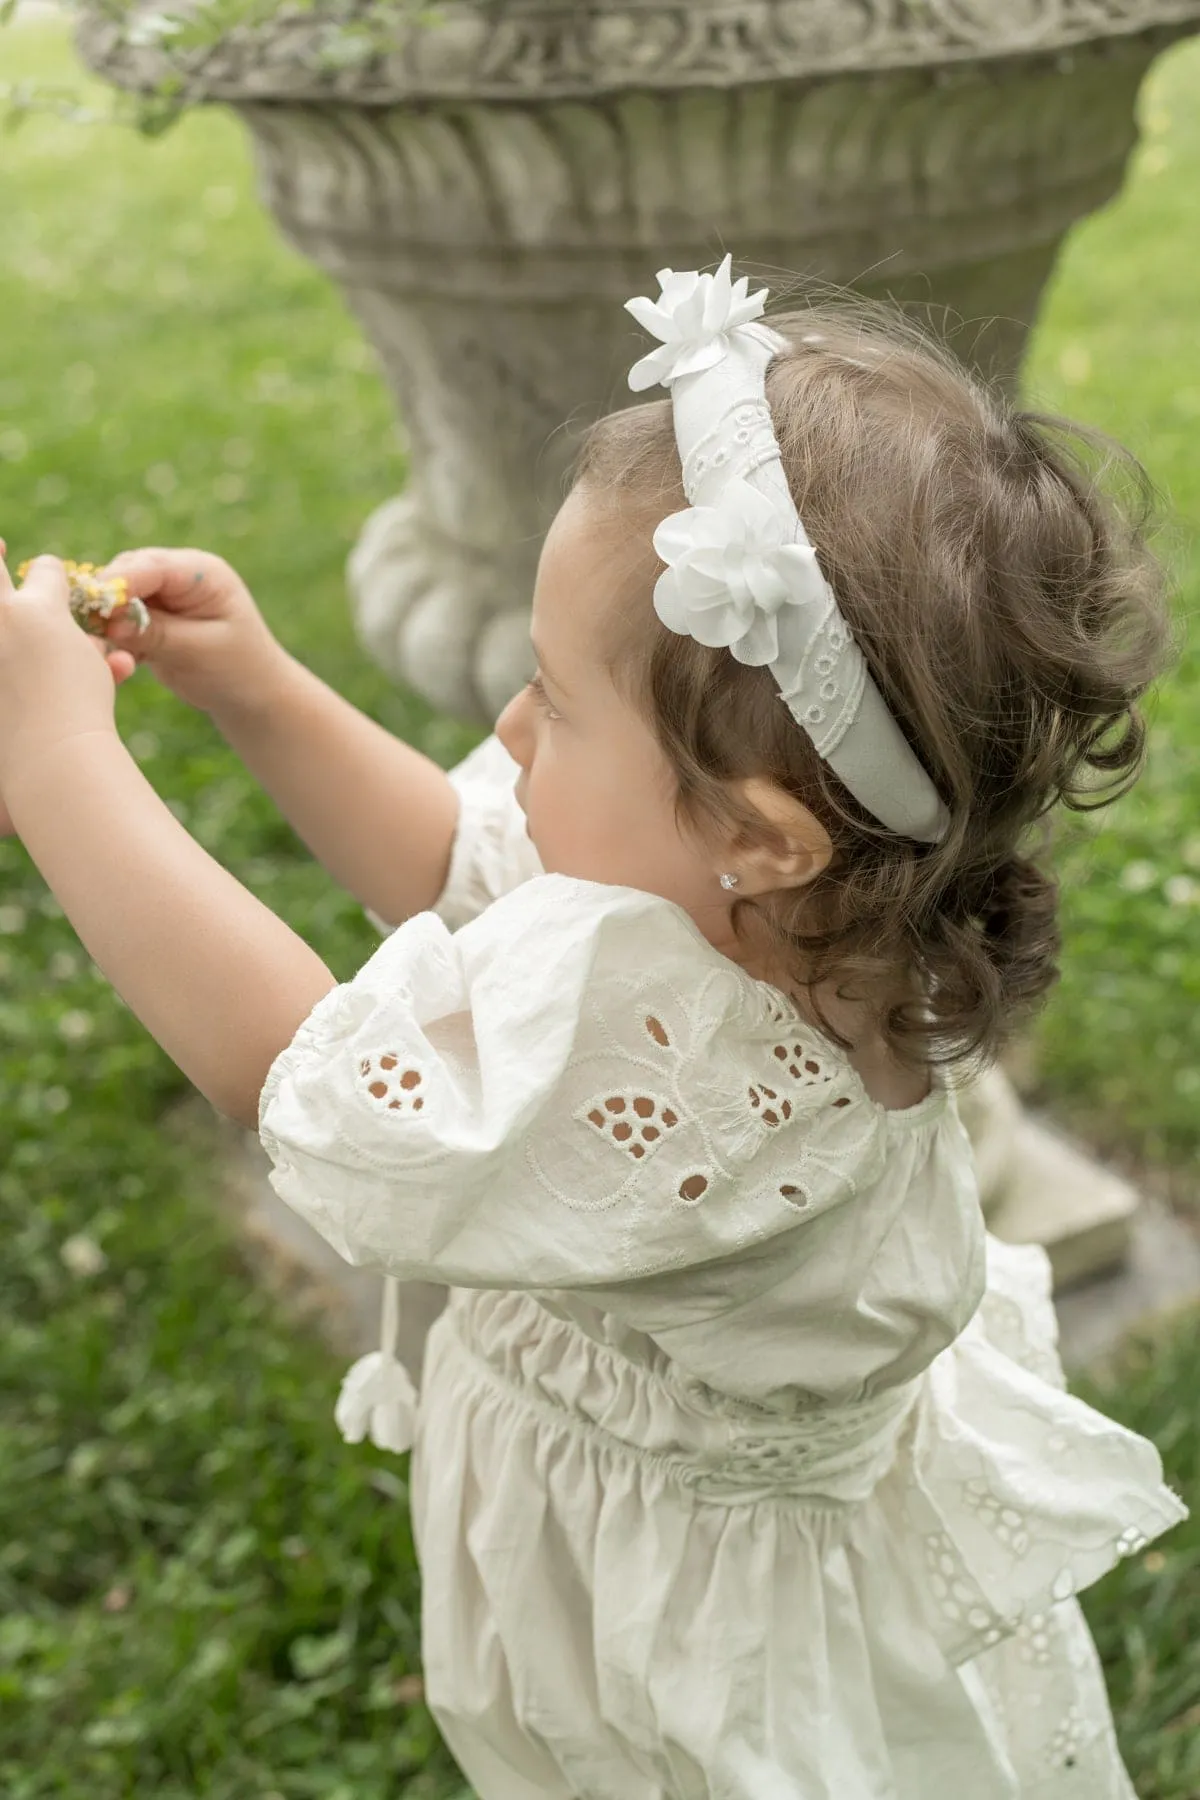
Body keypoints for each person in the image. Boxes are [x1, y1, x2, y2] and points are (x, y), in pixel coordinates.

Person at [0, 260, 1187, 1799]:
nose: (507, 730)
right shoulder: (770, 919)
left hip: (705, 1673)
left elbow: (300, 1069)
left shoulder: (731, 1098)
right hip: (635, 1550)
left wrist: (51, 767)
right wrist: (262, 691)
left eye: (554, 698)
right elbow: (457, 868)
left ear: (760, 836)